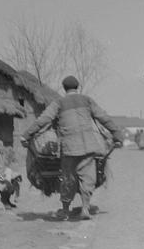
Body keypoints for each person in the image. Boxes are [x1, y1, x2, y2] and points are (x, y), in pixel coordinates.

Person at [20, 75, 124, 221]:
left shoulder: (59, 103)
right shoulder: (87, 100)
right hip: (89, 146)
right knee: (87, 178)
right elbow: (104, 118)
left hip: (69, 148)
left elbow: (43, 120)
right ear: (77, 87)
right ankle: (85, 208)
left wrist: (26, 135)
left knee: (68, 178)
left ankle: (65, 210)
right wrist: (117, 134)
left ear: (64, 88)